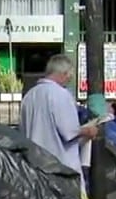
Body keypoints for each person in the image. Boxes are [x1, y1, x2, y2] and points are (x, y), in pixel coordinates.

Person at [19, 54, 98, 189]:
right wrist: (88, 130)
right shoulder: (61, 94)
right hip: (61, 169)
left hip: (34, 167)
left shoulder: (29, 96)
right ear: (64, 73)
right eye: (69, 76)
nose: (69, 79)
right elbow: (69, 132)